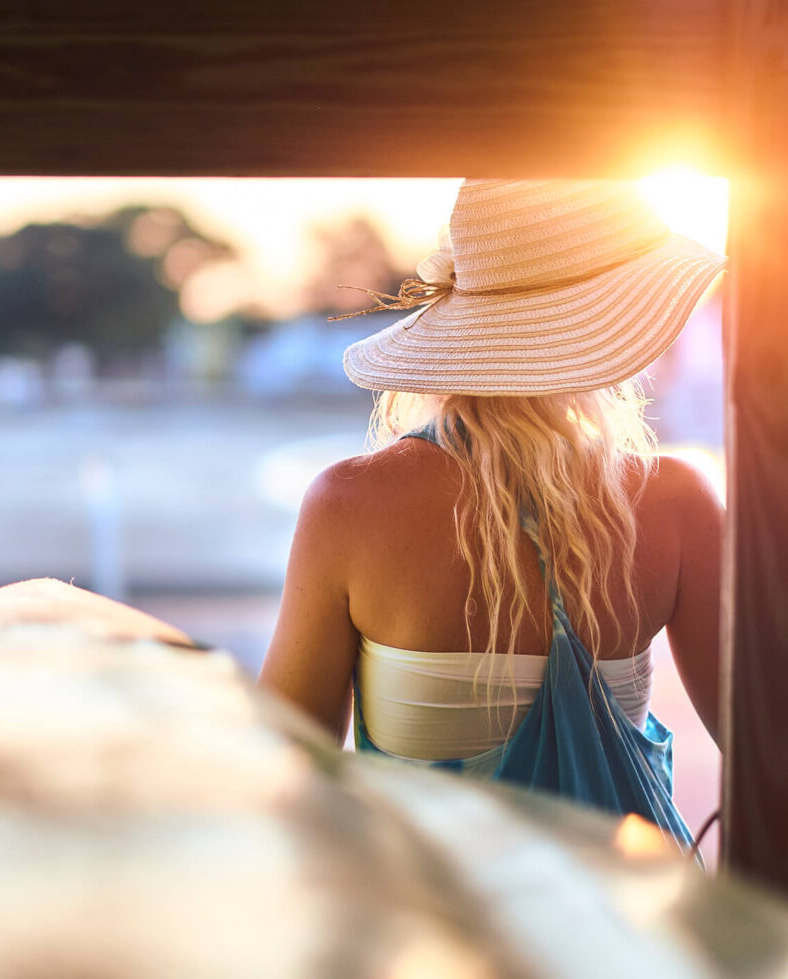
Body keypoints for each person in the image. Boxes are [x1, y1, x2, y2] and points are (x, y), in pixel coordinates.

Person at [258, 179, 726, 847]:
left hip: (423, 934)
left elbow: (285, 771)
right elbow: (767, 744)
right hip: (631, 935)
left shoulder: (350, 505)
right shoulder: (676, 500)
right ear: (609, 325)